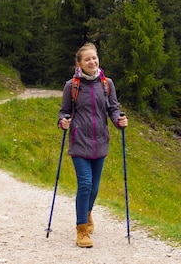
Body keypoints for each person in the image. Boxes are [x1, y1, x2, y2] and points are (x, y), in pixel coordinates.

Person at [58, 42, 128, 248]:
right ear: (79, 63)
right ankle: (81, 230)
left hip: (100, 142)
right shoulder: (72, 85)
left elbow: (113, 109)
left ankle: (87, 212)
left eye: (94, 58)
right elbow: (64, 112)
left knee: (95, 188)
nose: (92, 61)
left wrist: (118, 120)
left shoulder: (107, 84)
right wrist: (63, 122)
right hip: (79, 143)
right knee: (85, 184)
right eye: (87, 59)